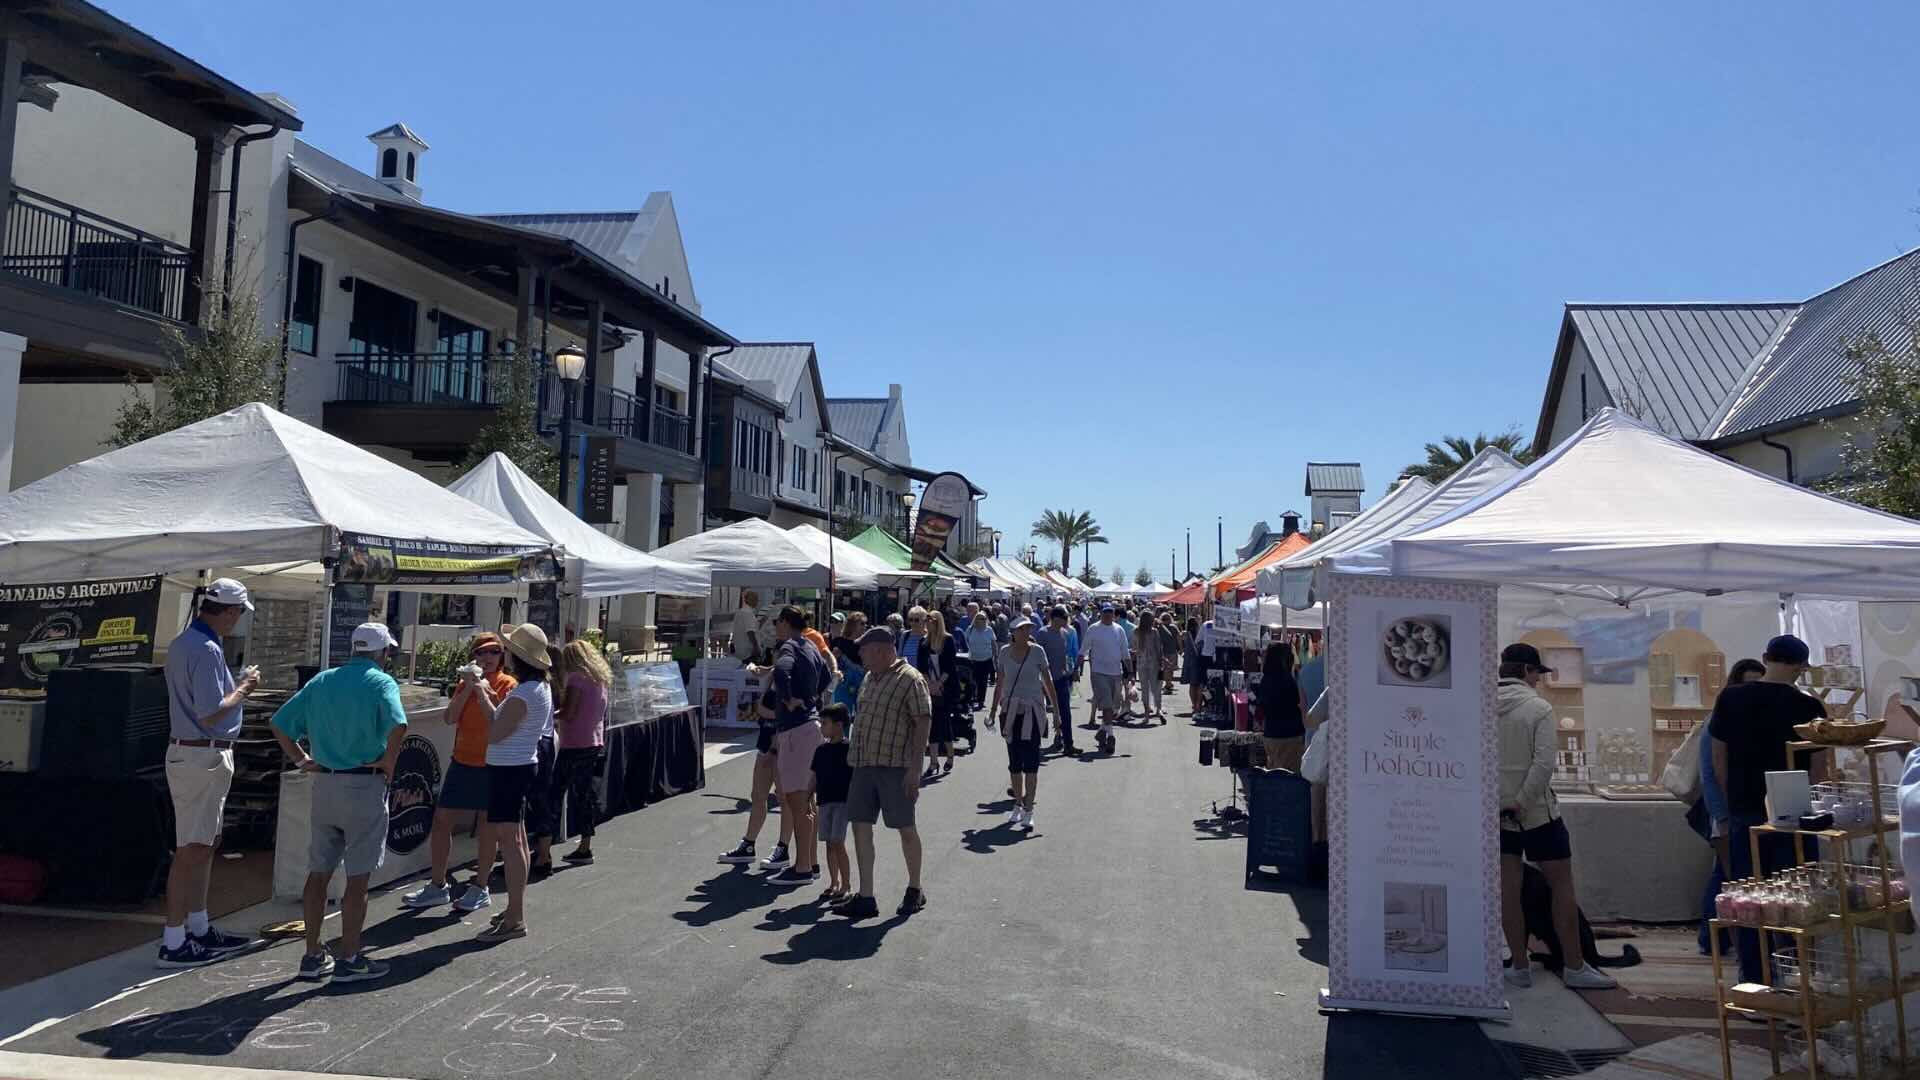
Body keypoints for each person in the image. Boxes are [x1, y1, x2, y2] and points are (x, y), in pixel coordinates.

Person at [268, 622, 408, 981]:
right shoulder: (381, 682)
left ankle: (313, 953)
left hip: (325, 783)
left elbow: (280, 723)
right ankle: (350, 956)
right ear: (383, 652)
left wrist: (302, 760)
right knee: (357, 880)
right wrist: (389, 761)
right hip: (363, 786)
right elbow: (399, 725)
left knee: (318, 874)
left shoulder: (323, 680)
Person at [1497, 643, 1616, 990]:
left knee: (1508, 891)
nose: (1539, 680)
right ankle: (1575, 967)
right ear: (1528, 672)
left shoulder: (1480, 707)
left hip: (1494, 812)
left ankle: (1519, 966)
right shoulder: (1538, 708)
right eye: (1537, 673)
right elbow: (1544, 762)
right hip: (1538, 813)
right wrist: (1522, 801)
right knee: (1561, 886)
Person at [1709, 635, 1824, 985]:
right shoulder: (1809, 705)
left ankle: (1754, 983)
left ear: (1765, 658)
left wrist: (1733, 798)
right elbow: (1819, 764)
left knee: (1748, 900)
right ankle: (1796, 979)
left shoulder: (1731, 697)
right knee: (1795, 900)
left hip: (1746, 806)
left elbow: (1718, 755)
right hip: (1793, 811)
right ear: (1802, 667)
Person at [157, 578, 259, 968]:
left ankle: (196, 927)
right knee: (192, 849)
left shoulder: (189, 643)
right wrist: (247, 687)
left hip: (201, 755)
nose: (236, 621)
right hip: (200, 755)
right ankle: (175, 937)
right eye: (237, 613)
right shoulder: (203, 647)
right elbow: (210, 709)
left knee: (204, 843)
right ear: (229, 611)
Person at [404, 632, 515, 912]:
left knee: (488, 827)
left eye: (493, 652)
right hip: (462, 761)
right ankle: (438, 885)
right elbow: (450, 717)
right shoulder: (462, 684)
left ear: (502, 656)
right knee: (442, 820)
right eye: (481, 653)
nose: (487, 658)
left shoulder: (508, 684)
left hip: (493, 764)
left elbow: (502, 721)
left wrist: (482, 690)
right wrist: (468, 687)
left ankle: (480, 886)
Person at [836, 627, 932, 919]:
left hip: (895, 767)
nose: (860, 655)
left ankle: (915, 888)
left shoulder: (910, 679)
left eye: (864, 650)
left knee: (905, 828)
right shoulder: (869, 677)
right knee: (860, 826)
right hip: (864, 764)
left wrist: (915, 769)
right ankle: (866, 896)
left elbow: (923, 722)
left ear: (879, 650)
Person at [469, 623, 557, 943]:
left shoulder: (524, 692)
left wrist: (479, 691)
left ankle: (515, 917)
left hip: (510, 769)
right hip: (517, 766)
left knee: (511, 843)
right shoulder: (537, 688)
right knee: (516, 840)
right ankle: (513, 912)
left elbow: (495, 730)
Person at [1693, 657, 1764, 955]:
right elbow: (1710, 773)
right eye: (1748, 683)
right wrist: (1720, 815)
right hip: (1724, 812)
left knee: (1725, 875)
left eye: (1758, 685)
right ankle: (1720, 939)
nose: (1753, 690)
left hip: (1740, 811)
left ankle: (1711, 938)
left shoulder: (1752, 719)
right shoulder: (1718, 721)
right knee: (1731, 875)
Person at [765, 606, 829, 887]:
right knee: (806, 803)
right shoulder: (811, 646)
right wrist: (812, 697)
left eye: (777, 621)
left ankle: (803, 867)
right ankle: (810, 862)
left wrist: (789, 699)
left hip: (796, 730)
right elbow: (827, 676)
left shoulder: (789, 646)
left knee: (797, 801)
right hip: (810, 726)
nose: (774, 626)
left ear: (786, 622)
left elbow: (781, 671)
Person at [992, 618, 1059, 828]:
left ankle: (1029, 809)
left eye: (1029, 628)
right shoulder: (1004, 652)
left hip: (1033, 711)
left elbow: (1048, 682)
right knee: (1014, 762)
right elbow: (999, 683)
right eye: (1022, 629)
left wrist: (1056, 712)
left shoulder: (1037, 651)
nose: (1026, 632)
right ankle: (1018, 805)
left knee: (1031, 762)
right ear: (1013, 632)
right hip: (1011, 712)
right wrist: (993, 710)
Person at [550, 639, 611, 865]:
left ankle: (544, 843)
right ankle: (585, 845)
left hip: (575, 742)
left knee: (555, 793)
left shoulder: (576, 679)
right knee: (584, 795)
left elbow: (569, 712)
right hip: (594, 740)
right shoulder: (600, 679)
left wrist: (550, 714)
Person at [812, 704, 854, 901]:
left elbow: (857, 777)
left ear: (839, 725)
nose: (821, 727)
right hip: (824, 801)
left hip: (843, 802)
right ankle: (833, 882)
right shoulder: (821, 750)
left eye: (825, 723)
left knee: (838, 841)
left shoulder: (850, 749)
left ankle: (846, 885)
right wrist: (806, 799)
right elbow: (814, 777)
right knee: (829, 843)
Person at [1080, 604, 1131, 753]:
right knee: (1108, 706)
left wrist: (1131, 672)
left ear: (1114, 614)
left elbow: (1125, 652)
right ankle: (1111, 737)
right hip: (1099, 673)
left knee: (1114, 708)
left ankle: (1102, 731)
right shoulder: (1093, 629)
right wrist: (1078, 667)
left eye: (1110, 612)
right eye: (1105, 612)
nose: (1108, 615)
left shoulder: (1118, 630)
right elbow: (1083, 649)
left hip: (1116, 673)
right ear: (1100, 614)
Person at [917, 610, 961, 779]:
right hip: (930, 687)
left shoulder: (948, 640)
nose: (928, 623)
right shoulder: (924, 642)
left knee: (944, 720)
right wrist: (930, 684)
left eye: (931, 620)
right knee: (933, 722)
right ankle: (933, 761)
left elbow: (950, 666)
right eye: (926, 621)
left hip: (946, 687)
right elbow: (921, 667)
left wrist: (939, 684)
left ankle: (950, 754)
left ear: (938, 622)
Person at [1033, 607, 1079, 756]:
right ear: (1055, 618)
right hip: (1045, 680)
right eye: (1063, 618)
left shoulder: (1065, 633)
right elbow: (1036, 655)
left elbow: (1067, 655)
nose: (1066, 621)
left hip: (1061, 678)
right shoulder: (1042, 633)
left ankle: (1068, 744)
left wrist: (1072, 670)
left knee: (1065, 712)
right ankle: (1035, 743)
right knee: (1042, 712)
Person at [1256, 640, 1308, 771]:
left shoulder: (1266, 679)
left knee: (1274, 772)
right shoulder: (1288, 681)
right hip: (1290, 734)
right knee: (1290, 776)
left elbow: (1261, 706)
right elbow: (1298, 703)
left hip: (1271, 733)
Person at [1134, 610, 1166, 722]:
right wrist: (1162, 661)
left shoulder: (1136, 631)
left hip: (1141, 662)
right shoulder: (1154, 632)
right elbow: (1159, 648)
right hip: (1153, 663)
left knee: (1144, 689)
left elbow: (1134, 647)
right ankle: (1158, 710)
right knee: (1156, 687)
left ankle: (1147, 714)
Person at [965, 607, 999, 711]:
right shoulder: (970, 629)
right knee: (972, 681)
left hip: (986, 659)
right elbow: (965, 641)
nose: (982, 620)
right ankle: (971, 699)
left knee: (983, 682)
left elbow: (993, 643)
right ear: (975, 619)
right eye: (980, 618)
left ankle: (980, 701)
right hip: (973, 659)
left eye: (984, 619)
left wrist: (995, 656)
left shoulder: (989, 630)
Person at [731, 589, 765, 664]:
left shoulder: (739, 612)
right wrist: (756, 647)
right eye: (756, 600)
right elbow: (750, 632)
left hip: (740, 651)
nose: (757, 602)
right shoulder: (748, 613)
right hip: (748, 652)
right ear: (751, 600)